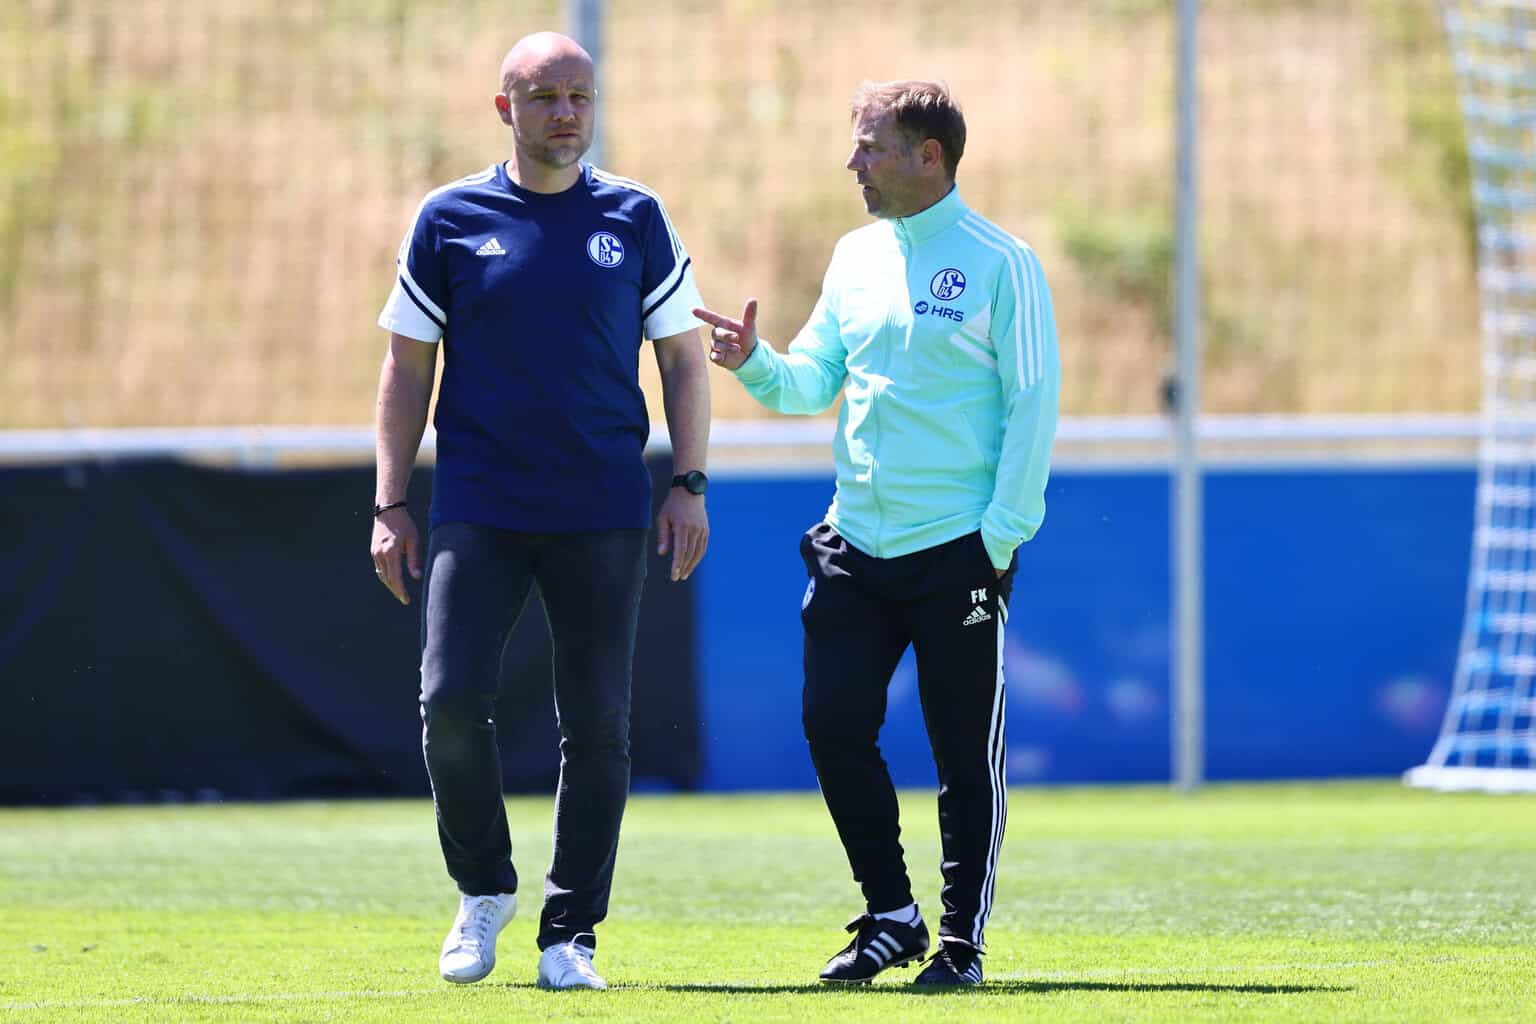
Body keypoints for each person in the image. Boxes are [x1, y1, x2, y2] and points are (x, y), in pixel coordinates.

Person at [695, 80, 1059, 987]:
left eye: (871, 147)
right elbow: (813, 382)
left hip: (956, 550)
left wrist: (998, 540)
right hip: (854, 546)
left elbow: (1033, 405)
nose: (852, 163)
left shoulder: (1002, 263)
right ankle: (892, 915)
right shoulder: (855, 256)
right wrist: (756, 363)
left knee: (962, 752)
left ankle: (961, 943)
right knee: (832, 725)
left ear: (928, 156)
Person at [370, 32, 710, 991]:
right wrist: (390, 501)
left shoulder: (636, 216)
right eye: (545, 96)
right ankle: (484, 888)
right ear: (505, 108)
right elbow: (406, 368)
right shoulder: (449, 218)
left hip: (602, 506)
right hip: (480, 503)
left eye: (580, 96)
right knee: (448, 703)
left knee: (597, 725)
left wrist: (688, 483)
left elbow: (684, 362)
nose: (566, 113)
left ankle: (572, 935)